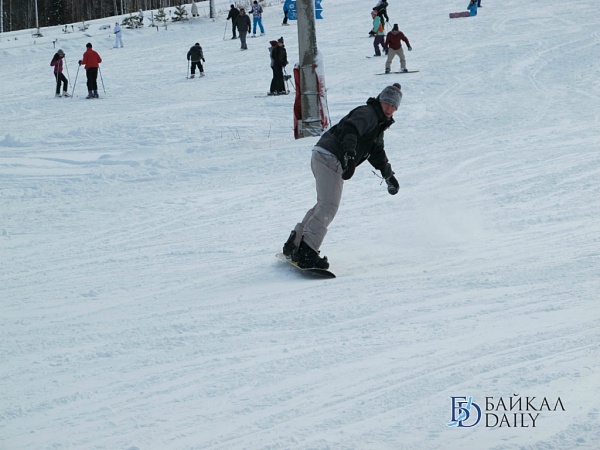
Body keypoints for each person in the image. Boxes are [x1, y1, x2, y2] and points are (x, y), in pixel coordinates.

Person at [282, 84, 403, 269]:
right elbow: (350, 129)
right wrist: (349, 154)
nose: (389, 108)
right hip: (331, 156)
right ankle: (307, 251)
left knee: (323, 204)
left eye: (394, 106)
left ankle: (295, 243)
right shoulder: (368, 114)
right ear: (380, 100)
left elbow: (377, 152)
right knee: (328, 206)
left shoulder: (377, 124)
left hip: (323, 154)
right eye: (387, 103)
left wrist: (388, 176)